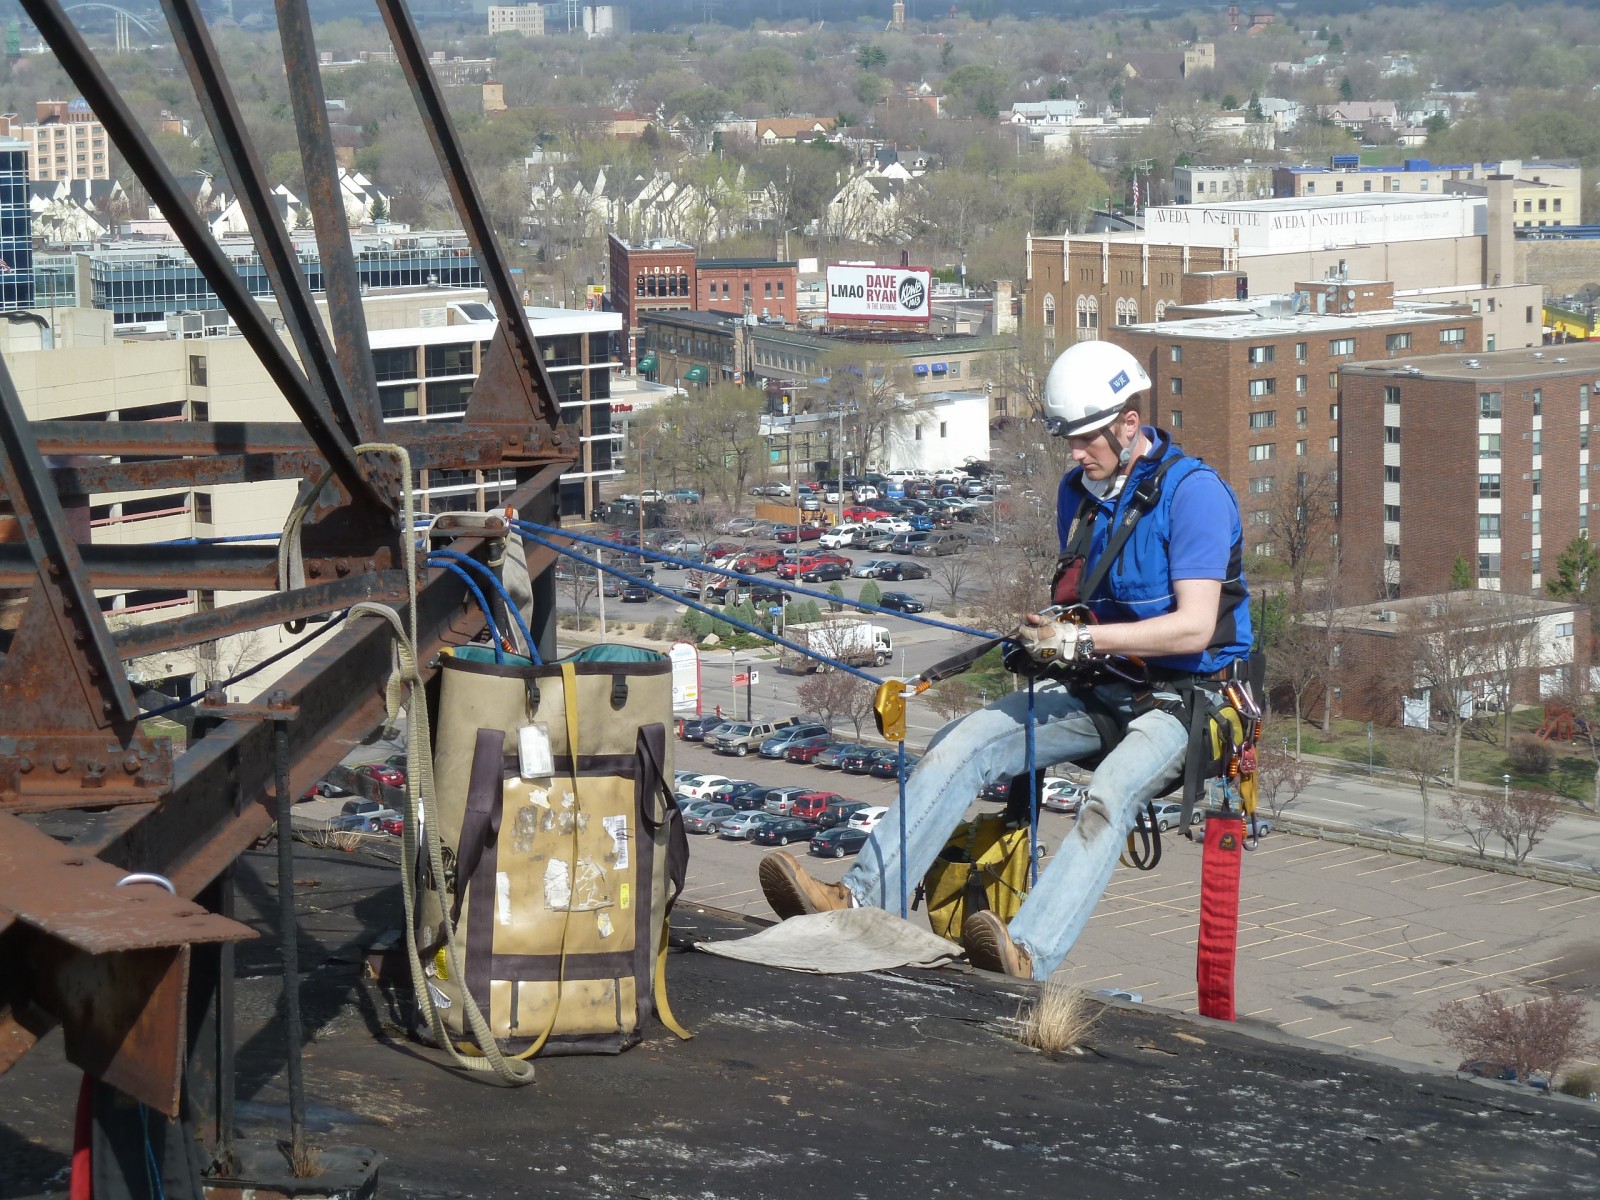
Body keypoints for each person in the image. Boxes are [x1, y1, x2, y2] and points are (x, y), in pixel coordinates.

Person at [758, 340, 1252, 980]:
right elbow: (1091, 599)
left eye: (1085, 439)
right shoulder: (1079, 495)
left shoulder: (1194, 496)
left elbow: (1193, 628)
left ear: (1129, 425)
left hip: (1188, 698)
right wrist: (1056, 629)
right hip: (1105, 686)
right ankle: (858, 900)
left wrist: (1083, 642)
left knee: (1109, 793)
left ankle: (1027, 953)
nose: (1075, 453)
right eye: (1068, 440)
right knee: (963, 742)